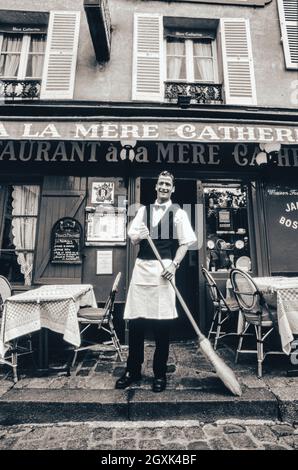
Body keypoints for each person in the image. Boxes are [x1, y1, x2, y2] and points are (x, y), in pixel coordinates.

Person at [115, 171, 197, 392]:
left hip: (163, 272)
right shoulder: (143, 211)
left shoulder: (178, 213)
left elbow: (185, 243)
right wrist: (140, 234)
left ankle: (159, 373)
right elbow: (133, 240)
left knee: (162, 326)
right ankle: (133, 370)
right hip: (142, 270)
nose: (163, 186)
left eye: (168, 184)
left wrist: (174, 265)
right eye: (160, 183)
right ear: (156, 187)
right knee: (136, 324)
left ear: (173, 188)